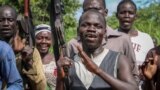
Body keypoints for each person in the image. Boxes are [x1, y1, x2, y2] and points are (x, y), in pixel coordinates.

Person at [56, 9, 138, 90]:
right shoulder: (70, 64)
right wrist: (60, 79)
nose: (91, 29)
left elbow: (134, 88)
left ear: (105, 33)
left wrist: (98, 71)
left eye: (98, 26)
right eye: (85, 25)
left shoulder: (119, 59)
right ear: (78, 31)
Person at [0, 5, 46, 90]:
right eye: (1, 20)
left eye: (10, 20)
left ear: (16, 24)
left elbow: (41, 87)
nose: (6, 24)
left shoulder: (31, 52)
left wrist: (28, 63)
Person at [116, 0, 154, 66]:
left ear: (136, 16)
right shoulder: (110, 36)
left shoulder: (146, 39)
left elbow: (151, 65)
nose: (126, 16)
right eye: (122, 12)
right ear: (117, 15)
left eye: (130, 13)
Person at [35, 24, 57, 90]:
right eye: (39, 38)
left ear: (52, 41)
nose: (44, 41)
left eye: (47, 38)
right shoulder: (29, 60)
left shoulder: (57, 60)